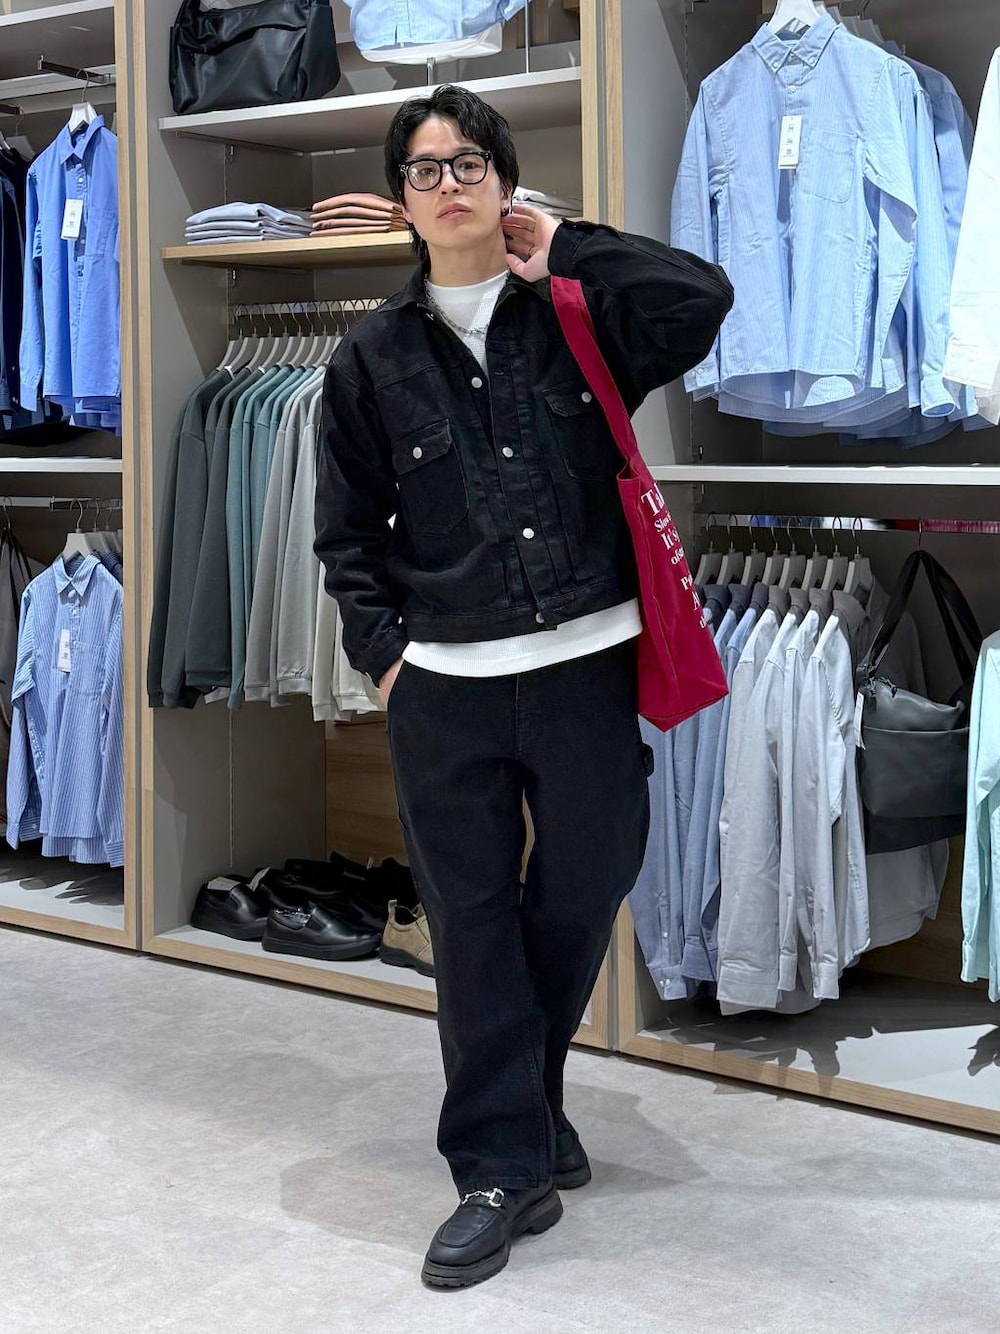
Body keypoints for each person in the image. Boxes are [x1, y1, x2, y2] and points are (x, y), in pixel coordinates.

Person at [314, 84, 733, 1289]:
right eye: (424, 169)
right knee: (471, 920)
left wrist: (568, 246)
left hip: (585, 666)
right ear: (400, 201)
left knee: (586, 883)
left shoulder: (577, 316)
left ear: (505, 182)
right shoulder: (369, 357)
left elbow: (701, 298)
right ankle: (498, 1166)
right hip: (444, 683)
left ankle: (529, 1099)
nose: (447, 185)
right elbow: (345, 533)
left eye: (468, 164)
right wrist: (386, 656)